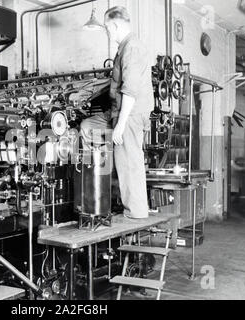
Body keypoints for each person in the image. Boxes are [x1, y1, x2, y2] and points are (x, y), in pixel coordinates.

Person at [80, 6, 154, 219]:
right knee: (87, 127)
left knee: (129, 162)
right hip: (115, 111)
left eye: (108, 29)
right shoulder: (123, 48)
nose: (109, 34)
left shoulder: (133, 47)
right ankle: (98, 184)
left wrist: (120, 126)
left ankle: (136, 213)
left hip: (129, 114)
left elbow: (129, 90)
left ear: (114, 25)